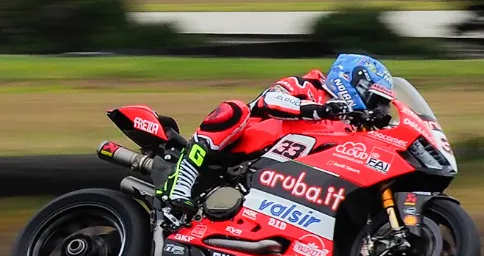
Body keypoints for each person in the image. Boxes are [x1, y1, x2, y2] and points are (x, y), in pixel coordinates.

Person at [156, 53, 394, 229]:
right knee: (233, 110)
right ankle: (179, 185)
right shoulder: (306, 86)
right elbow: (270, 101)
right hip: (240, 149)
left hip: (280, 181)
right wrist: (319, 110)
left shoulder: (351, 126)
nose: (379, 108)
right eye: (376, 100)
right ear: (353, 82)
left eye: (383, 105)